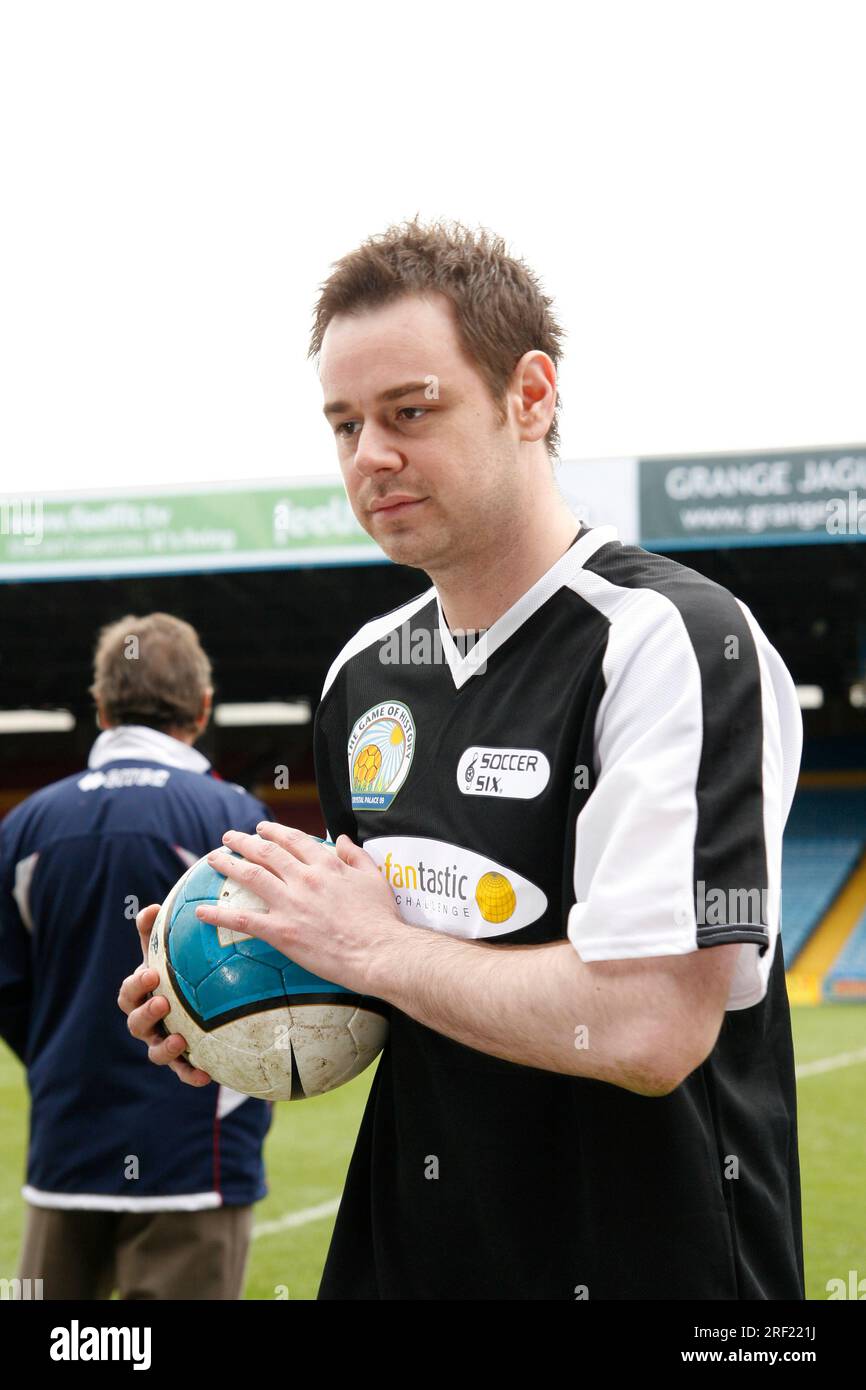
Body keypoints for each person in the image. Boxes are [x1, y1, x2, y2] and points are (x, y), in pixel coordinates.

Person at [119, 218, 805, 1300]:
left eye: (409, 410)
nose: (368, 455)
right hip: (412, 1261)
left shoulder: (665, 639)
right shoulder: (360, 677)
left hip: (650, 1266)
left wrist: (369, 948)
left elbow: (647, 1026)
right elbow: (401, 971)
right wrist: (235, 976)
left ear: (528, 396)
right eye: (343, 423)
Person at [0, 612, 273, 1299]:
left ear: (100, 707)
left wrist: (65, 1054)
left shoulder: (26, 825)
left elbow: (7, 987)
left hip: (66, 1143)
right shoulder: (233, 815)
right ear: (203, 708)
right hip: (196, 1153)